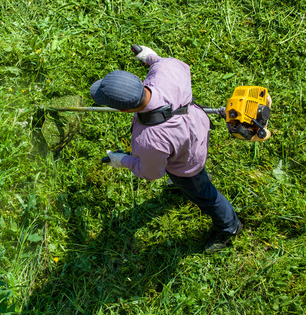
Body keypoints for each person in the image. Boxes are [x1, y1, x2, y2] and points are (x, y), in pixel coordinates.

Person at [90, 46, 242, 252]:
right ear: (137, 77)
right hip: (196, 130)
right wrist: (152, 58)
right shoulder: (166, 70)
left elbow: (151, 172)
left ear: (124, 110)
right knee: (178, 164)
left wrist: (120, 160)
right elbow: (167, 63)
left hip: (187, 165)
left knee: (205, 195)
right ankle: (179, 184)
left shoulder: (148, 141)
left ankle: (229, 227)